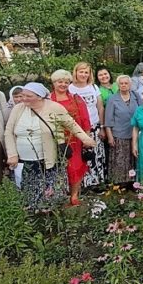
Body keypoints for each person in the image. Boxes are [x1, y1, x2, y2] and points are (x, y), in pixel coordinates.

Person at [5, 83, 96, 210]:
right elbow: (9, 132)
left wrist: (86, 139)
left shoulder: (54, 107)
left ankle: (50, 213)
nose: (23, 98)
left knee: (49, 190)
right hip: (24, 160)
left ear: (39, 97)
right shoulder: (18, 109)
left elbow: (71, 124)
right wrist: (12, 154)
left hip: (48, 158)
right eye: (23, 95)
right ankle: (33, 213)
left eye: (28, 96)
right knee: (28, 189)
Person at [49, 69, 93, 206]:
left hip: (75, 140)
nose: (63, 84)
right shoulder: (48, 100)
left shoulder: (76, 99)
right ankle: (60, 195)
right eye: (60, 82)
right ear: (54, 83)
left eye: (66, 82)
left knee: (75, 167)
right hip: (54, 140)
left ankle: (74, 195)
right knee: (58, 168)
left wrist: (87, 138)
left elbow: (85, 119)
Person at [71, 61, 107, 187]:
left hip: (94, 126)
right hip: (77, 129)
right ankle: (81, 183)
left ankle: (96, 182)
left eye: (86, 72)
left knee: (95, 154)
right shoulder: (70, 88)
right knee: (80, 156)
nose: (84, 74)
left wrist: (102, 127)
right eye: (81, 72)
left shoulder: (93, 87)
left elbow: (100, 107)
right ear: (76, 72)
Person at [103, 75, 141, 187]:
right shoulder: (112, 98)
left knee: (133, 158)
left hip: (134, 133)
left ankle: (133, 182)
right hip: (119, 133)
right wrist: (110, 136)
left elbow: (142, 111)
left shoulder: (136, 96)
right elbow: (108, 119)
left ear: (130, 84)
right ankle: (119, 184)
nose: (124, 85)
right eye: (121, 83)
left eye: (126, 83)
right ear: (118, 85)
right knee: (120, 160)